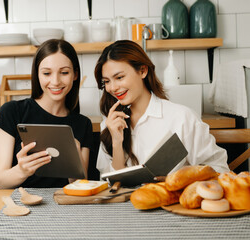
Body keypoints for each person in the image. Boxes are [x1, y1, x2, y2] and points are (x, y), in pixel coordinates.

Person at [94, 40, 229, 177]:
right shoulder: (110, 123)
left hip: (171, 197)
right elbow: (109, 184)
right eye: (106, 81)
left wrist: (177, 179)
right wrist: (117, 143)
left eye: (119, 77)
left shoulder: (181, 117)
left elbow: (219, 169)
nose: (113, 87)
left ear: (142, 71)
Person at [0, 39, 93, 189]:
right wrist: (22, 170)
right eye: (47, 73)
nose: (55, 81)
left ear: (75, 75)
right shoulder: (12, 112)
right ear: (37, 75)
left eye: (64, 72)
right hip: (15, 205)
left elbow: (80, 186)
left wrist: (74, 160)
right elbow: (0, 182)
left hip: (61, 207)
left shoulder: (83, 124)